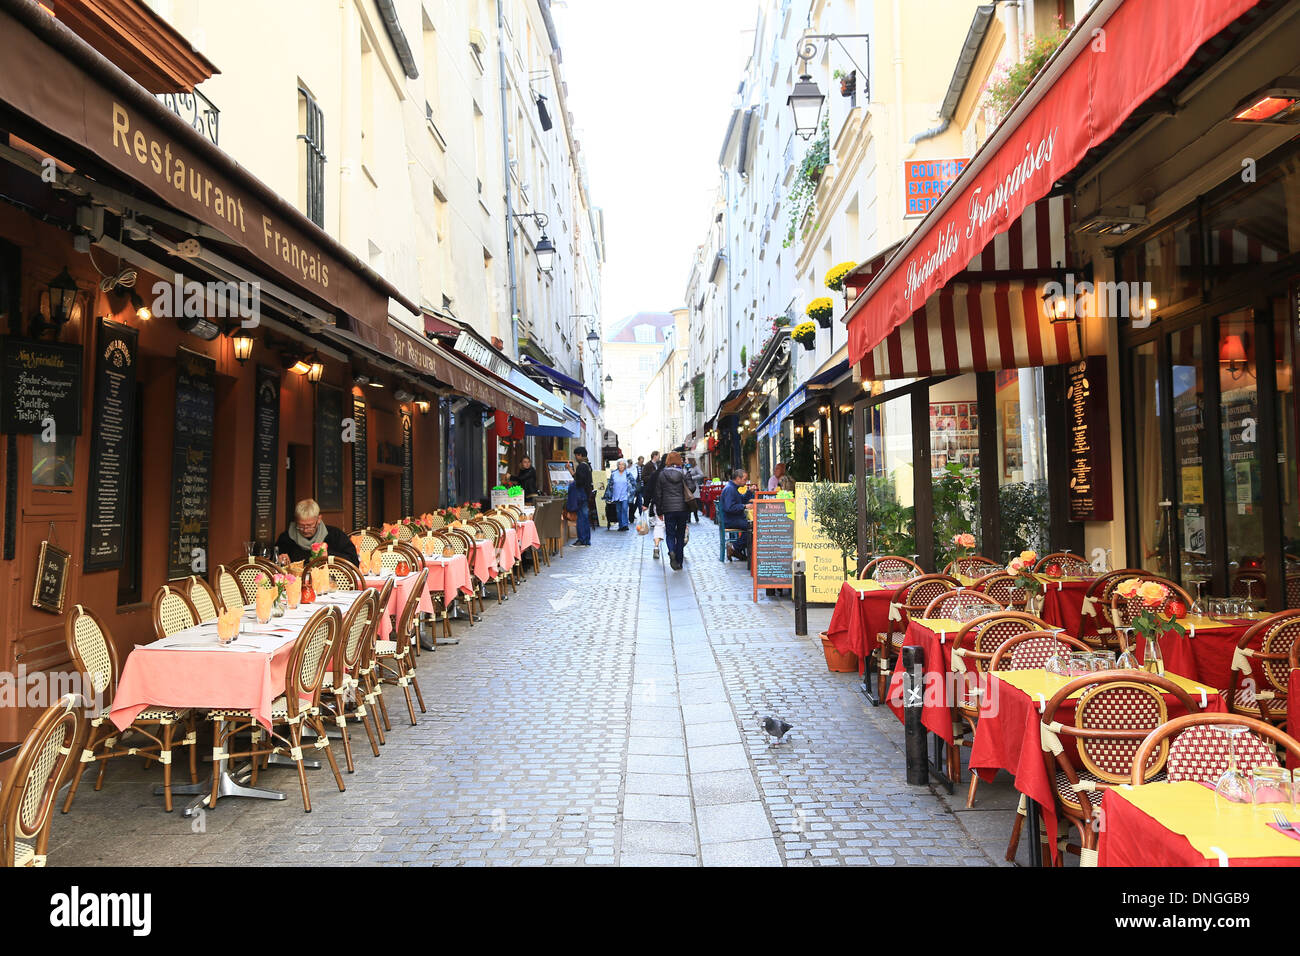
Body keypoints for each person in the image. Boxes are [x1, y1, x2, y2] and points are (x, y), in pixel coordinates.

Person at [275, 498, 359, 566]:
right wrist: (279, 560)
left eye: (309, 525)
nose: (305, 530)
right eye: (300, 526)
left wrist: (329, 556)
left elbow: (354, 561)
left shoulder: (335, 535)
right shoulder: (286, 538)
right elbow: (272, 562)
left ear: (319, 519)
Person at [654, 452, 697, 571]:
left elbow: (658, 494)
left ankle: (671, 550)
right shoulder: (684, 472)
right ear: (679, 460)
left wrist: (659, 511)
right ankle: (679, 561)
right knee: (680, 534)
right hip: (683, 508)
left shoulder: (662, 474)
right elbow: (692, 488)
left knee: (670, 533)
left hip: (668, 509)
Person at [718, 469, 755, 563]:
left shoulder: (732, 488)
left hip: (733, 518)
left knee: (752, 526)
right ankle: (734, 548)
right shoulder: (730, 489)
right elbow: (729, 507)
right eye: (744, 479)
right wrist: (744, 506)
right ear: (738, 478)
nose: (746, 481)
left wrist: (749, 492)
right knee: (753, 527)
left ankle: (735, 549)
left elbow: (740, 500)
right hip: (731, 520)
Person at [567, 447, 593, 545]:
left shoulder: (581, 466)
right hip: (586, 494)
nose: (576, 457)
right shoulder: (588, 465)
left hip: (581, 494)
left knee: (581, 518)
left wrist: (573, 482)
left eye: (576, 455)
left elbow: (579, 480)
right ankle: (586, 539)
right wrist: (570, 470)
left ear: (580, 455)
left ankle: (582, 539)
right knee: (585, 517)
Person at [608, 460, 631, 531]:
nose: (621, 466)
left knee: (624, 509)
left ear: (625, 466)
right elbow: (610, 484)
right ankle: (621, 525)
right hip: (616, 495)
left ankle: (625, 525)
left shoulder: (627, 473)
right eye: (620, 465)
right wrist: (609, 495)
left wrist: (630, 493)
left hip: (625, 495)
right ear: (618, 465)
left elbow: (633, 483)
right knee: (618, 511)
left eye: (623, 465)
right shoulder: (614, 474)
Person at [684, 457, 705, 522]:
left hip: (694, 487)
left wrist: (692, 477)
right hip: (687, 487)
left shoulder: (695, 467)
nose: (685, 460)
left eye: (686, 459)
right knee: (688, 502)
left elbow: (701, 474)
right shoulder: (685, 467)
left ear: (690, 460)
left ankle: (696, 517)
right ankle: (688, 518)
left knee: (694, 502)